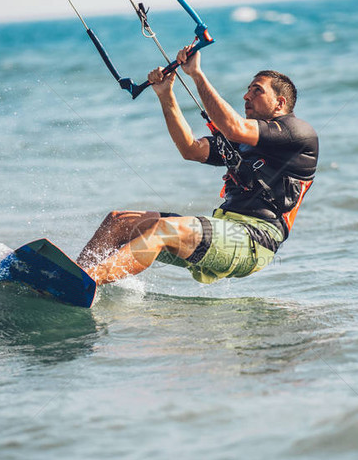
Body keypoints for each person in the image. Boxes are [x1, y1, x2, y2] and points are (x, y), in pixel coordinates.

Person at [76, 45, 319, 286]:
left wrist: (196, 74)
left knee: (163, 229)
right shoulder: (242, 143)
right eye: (248, 90)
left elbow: (233, 127)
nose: (247, 96)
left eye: (257, 91)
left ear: (280, 103)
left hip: (255, 240)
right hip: (224, 227)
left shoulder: (298, 134)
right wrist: (165, 93)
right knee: (119, 221)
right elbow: (190, 149)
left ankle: (86, 281)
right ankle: (73, 277)